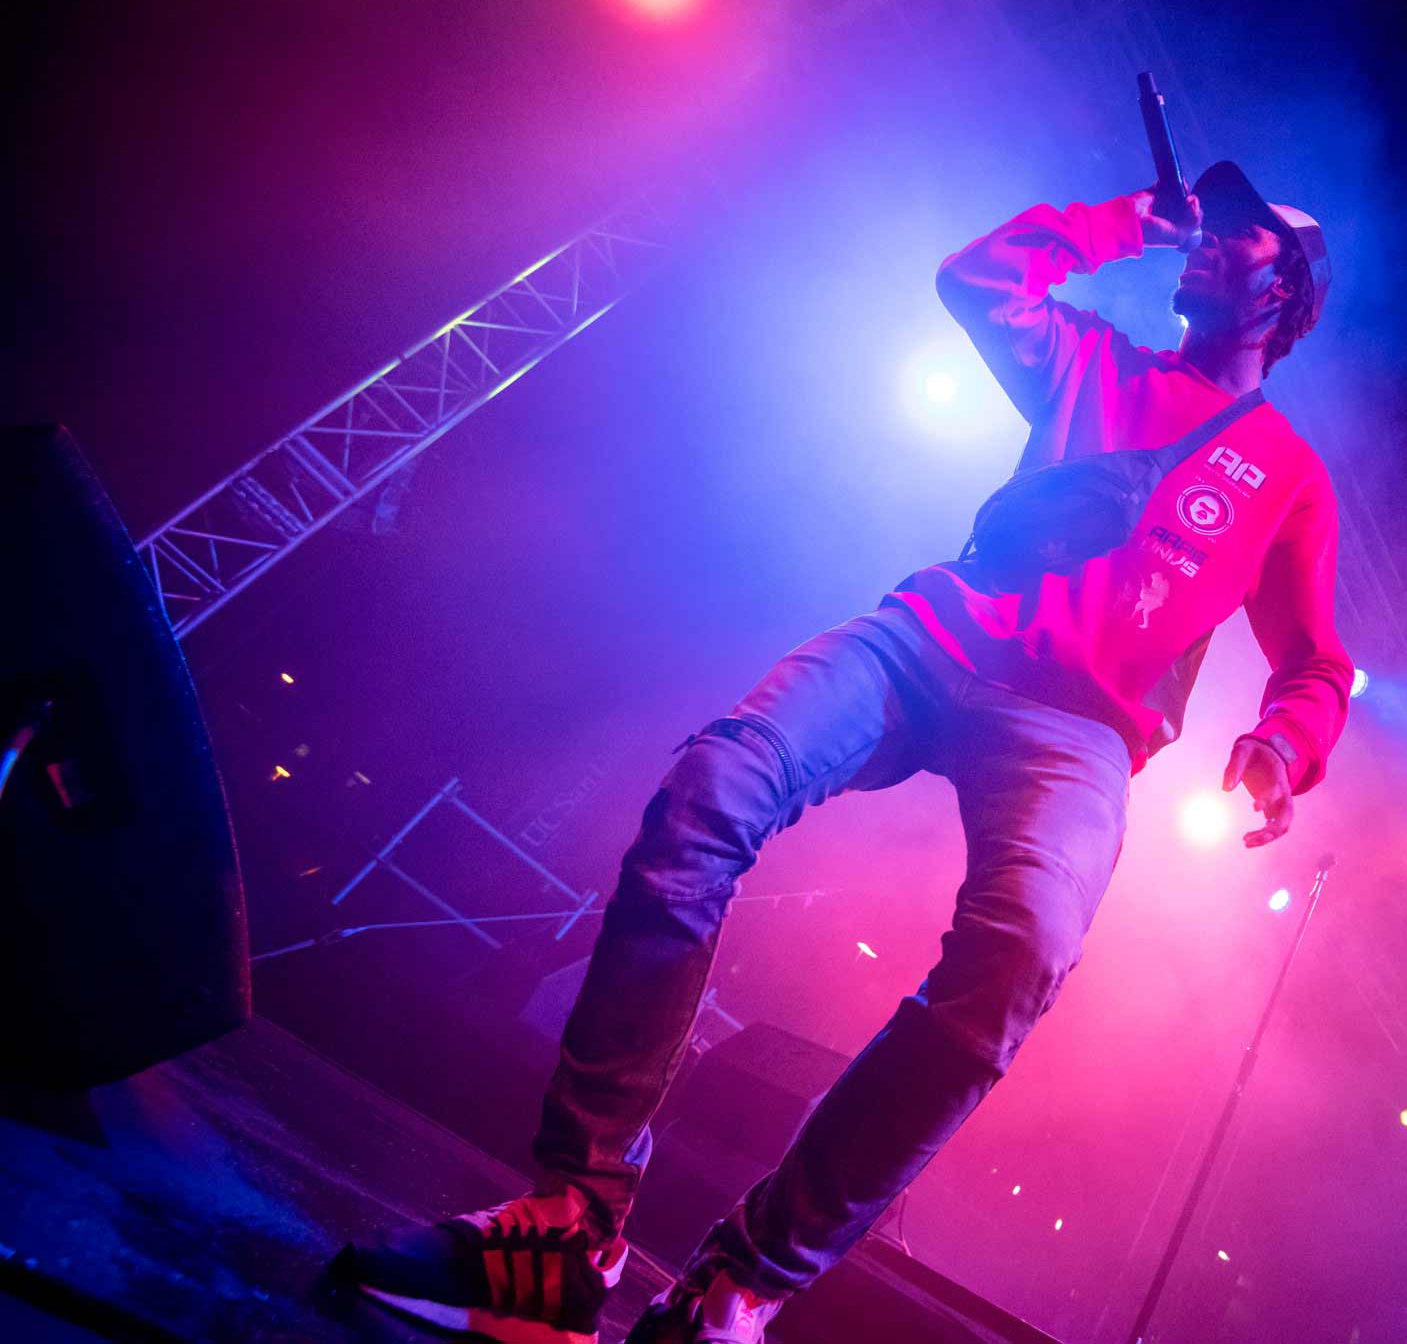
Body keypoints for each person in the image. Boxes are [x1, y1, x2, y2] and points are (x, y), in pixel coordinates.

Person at [341, 160, 1354, 1344]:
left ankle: (736, 1287)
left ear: (1288, 290)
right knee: (712, 787)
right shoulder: (1099, 360)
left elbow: (1317, 662)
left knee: (1024, 951)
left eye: (1244, 230)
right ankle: (570, 1223)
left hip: (1080, 729)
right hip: (935, 634)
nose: (1212, 233)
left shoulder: (1290, 474)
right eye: (1210, 221)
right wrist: (1131, 219)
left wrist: (1282, 744)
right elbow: (981, 278)